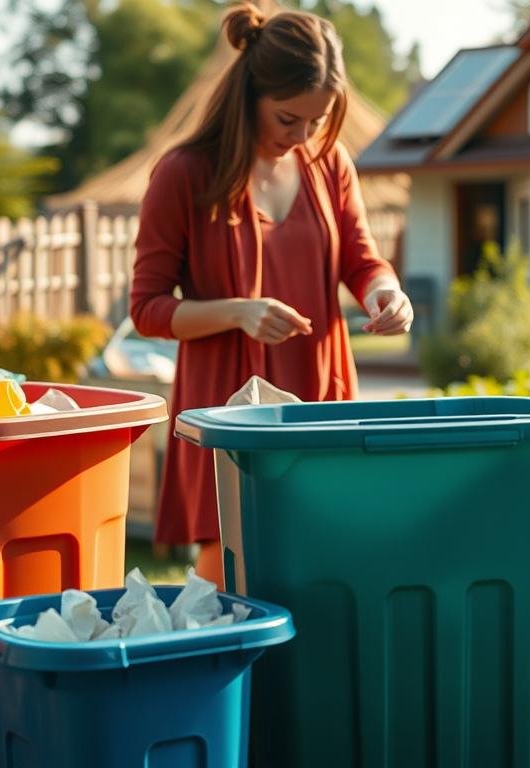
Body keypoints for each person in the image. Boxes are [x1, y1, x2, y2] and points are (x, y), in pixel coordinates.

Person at [129, 2, 413, 582]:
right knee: (229, 567)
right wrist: (238, 312)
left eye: (316, 121)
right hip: (227, 406)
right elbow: (147, 309)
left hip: (318, 394)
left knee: (323, 563)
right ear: (249, 95)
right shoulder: (183, 175)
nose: (304, 135)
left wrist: (385, 290)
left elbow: (362, 260)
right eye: (289, 119)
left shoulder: (330, 164)